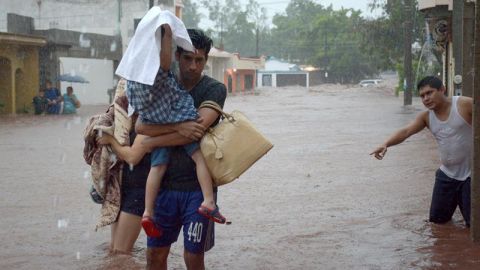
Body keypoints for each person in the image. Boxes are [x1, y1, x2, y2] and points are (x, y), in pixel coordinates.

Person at [116, 8, 226, 241]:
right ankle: (150, 211)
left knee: (193, 258)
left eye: (199, 60)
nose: (193, 66)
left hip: (193, 189)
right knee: (154, 259)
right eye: (188, 59)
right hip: (165, 190)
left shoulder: (214, 89)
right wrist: (177, 127)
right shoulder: (162, 79)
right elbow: (140, 128)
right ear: (177, 56)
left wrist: (152, 142)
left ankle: (206, 202)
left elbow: (194, 131)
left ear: (207, 59)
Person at [370, 76, 473, 227]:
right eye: (422, 96)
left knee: (474, 226)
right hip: (447, 175)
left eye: (429, 93)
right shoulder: (426, 117)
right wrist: (386, 144)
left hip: (471, 176)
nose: (426, 98)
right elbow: (406, 131)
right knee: (437, 224)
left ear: (442, 89)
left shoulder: (463, 104)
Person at [96, 113, 151, 253]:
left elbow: (133, 157)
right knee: (113, 249)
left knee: (121, 252)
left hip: (139, 191)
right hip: (121, 189)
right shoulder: (128, 118)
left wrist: (110, 140)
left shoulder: (151, 119)